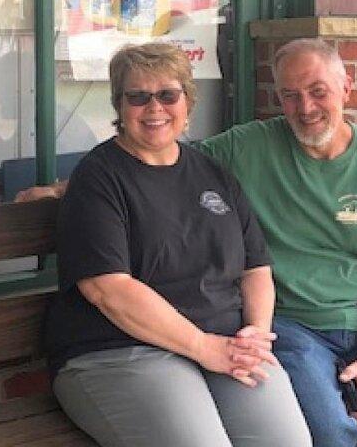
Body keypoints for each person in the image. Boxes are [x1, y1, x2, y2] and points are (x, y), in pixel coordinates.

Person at [22, 38, 357, 447]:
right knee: (324, 431)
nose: (304, 108)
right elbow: (134, 193)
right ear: (119, 106)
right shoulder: (240, 150)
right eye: (290, 95)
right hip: (231, 336)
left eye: (167, 95)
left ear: (347, 88)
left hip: (317, 328)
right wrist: (63, 188)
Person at [43, 42, 311, 447]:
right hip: (120, 350)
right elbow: (107, 288)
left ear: (188, 101)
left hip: (223, 344)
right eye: (138, 97)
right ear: (119, 105)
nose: (154, 108)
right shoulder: (99, 177)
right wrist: (202, 347)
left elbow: (255, 268)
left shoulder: (212, 172)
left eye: (168, 94)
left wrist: (256, 332)